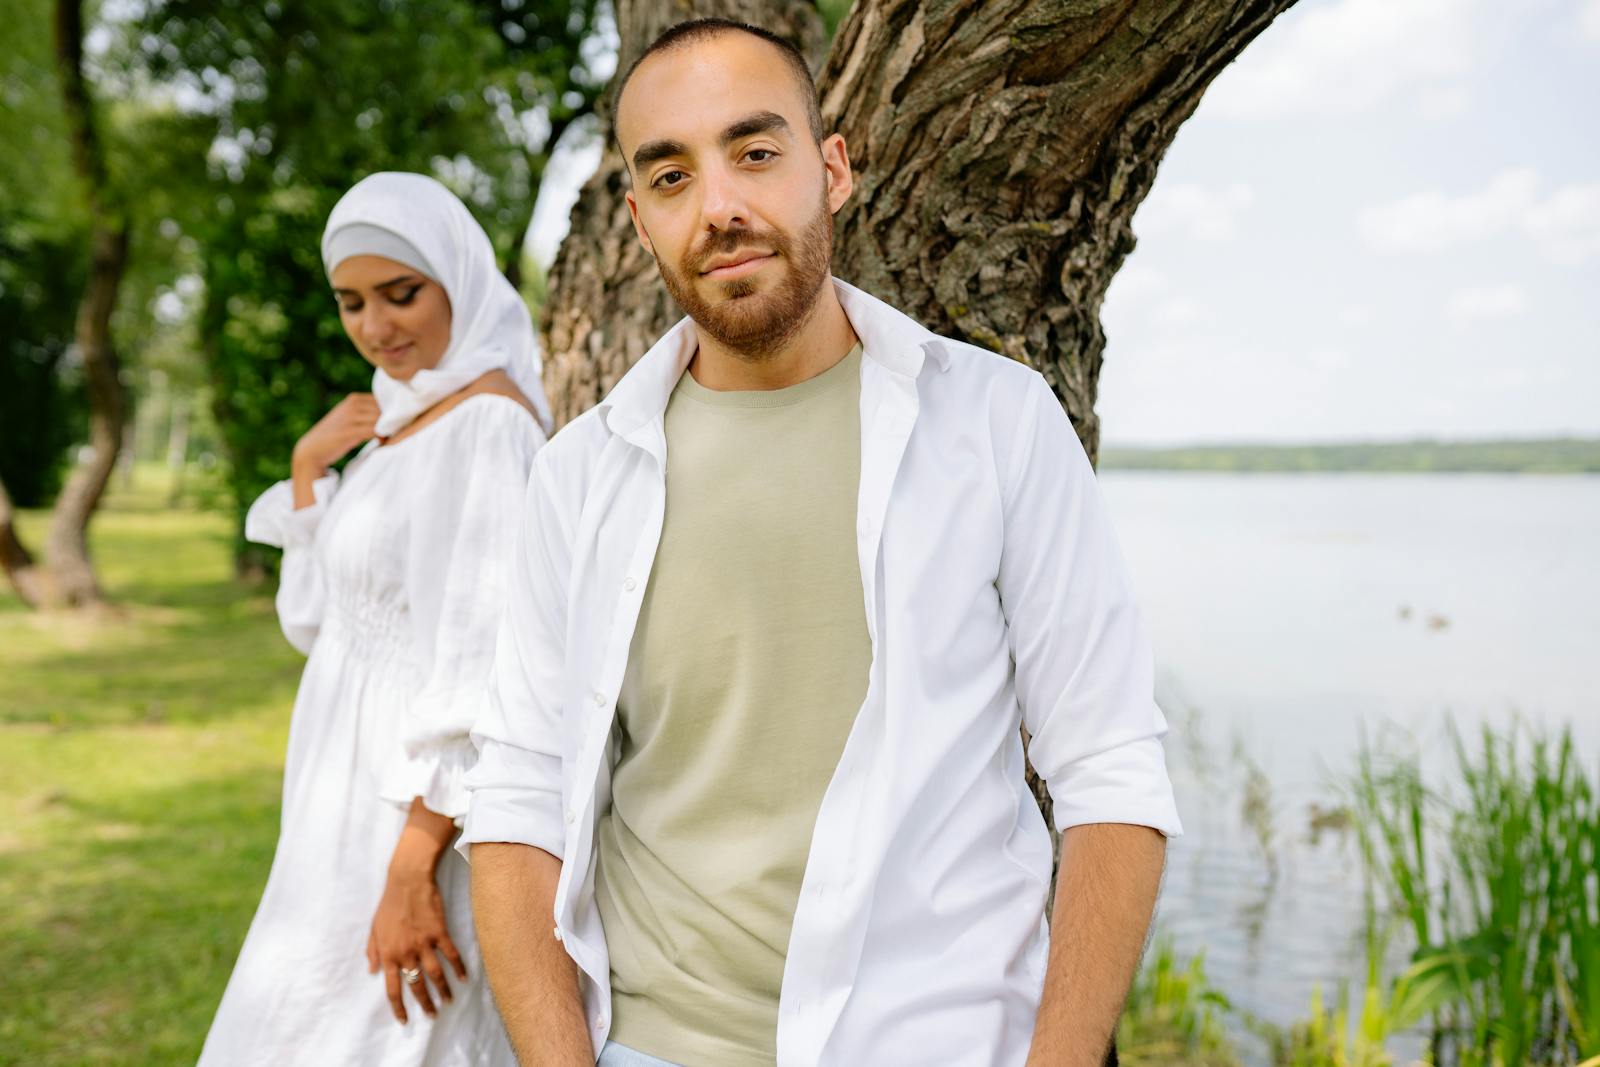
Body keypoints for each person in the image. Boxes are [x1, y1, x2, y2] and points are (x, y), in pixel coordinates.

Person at [462, 19, 1181, 1067]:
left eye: (755, 152)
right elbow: (518, 794)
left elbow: (1109, 765)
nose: (719, 206)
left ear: (832, 169)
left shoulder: (996, 423)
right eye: (671, 176)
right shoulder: (578, 475)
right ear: (640, 220)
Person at [198, 171, 549, 1067]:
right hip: (334, 797)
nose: (376, 326)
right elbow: (318, 624)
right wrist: (308, 469)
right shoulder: (400, 425)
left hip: (410, 815)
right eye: (352, 302)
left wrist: (412, 866)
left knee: (373, 1033)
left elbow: (486, 667)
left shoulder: (488, 427)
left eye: (401, 293)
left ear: (458, 281)